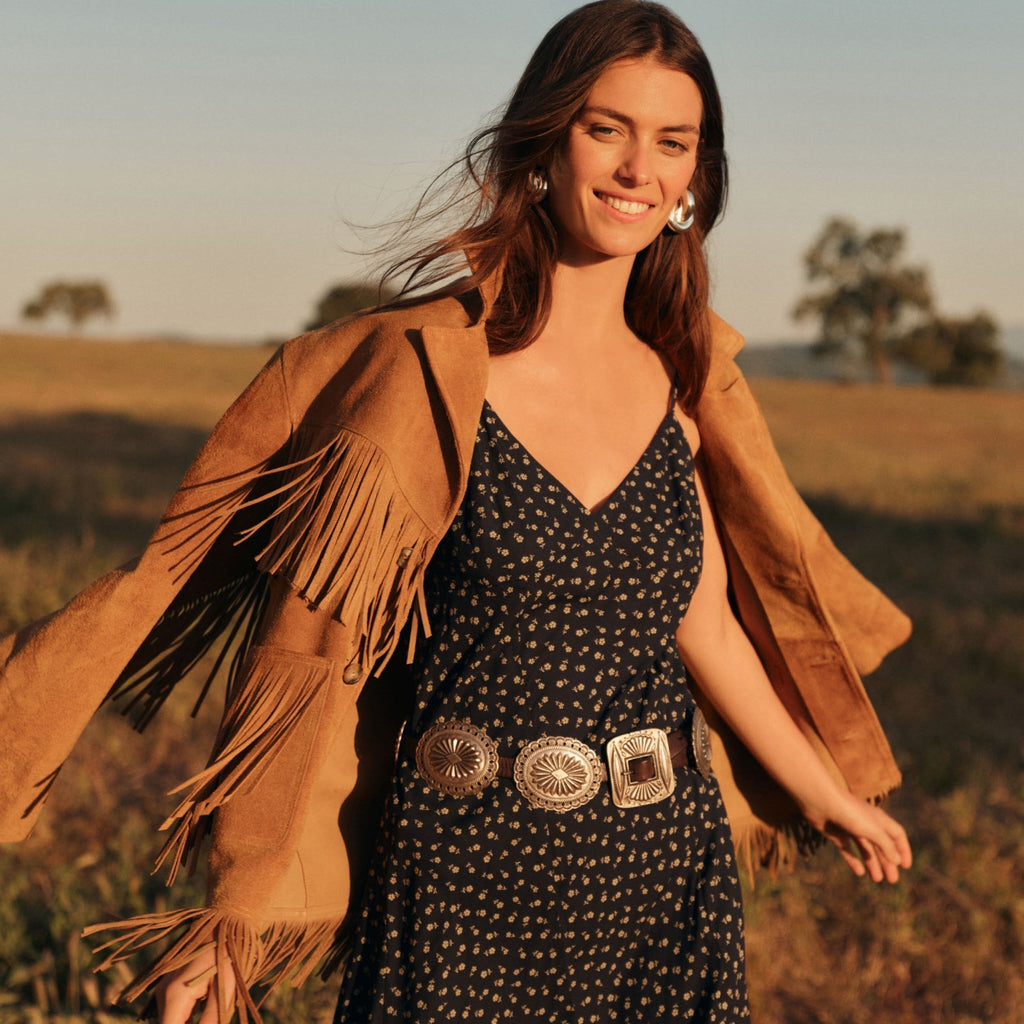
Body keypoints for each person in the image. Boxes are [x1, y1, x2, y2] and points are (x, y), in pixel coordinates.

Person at [0, 2, 912, 1022]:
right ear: (542, 146)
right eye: (603, 128)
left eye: (672, 143)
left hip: (660, 881)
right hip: (460, 877)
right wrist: (236, 919)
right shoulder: (424, 377)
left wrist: (826, 792)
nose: (635, 169)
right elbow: (306, 660)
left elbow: (703, 630)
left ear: (694, 182)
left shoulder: (686, 387)